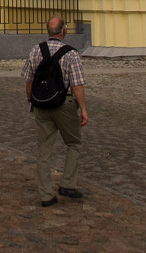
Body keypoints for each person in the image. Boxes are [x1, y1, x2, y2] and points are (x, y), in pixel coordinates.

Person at [21, 16, 88, 207]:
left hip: (41, 105)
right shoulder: (71, 54)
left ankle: (46, 195)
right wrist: (83, 108)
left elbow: (28, 81)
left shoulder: (36, 50)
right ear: (64, 31)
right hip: (64, 105)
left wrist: (31, 101)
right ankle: (67, 184)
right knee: (74, 143)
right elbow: (77, 85)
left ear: (48, 32)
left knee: (44, 150)